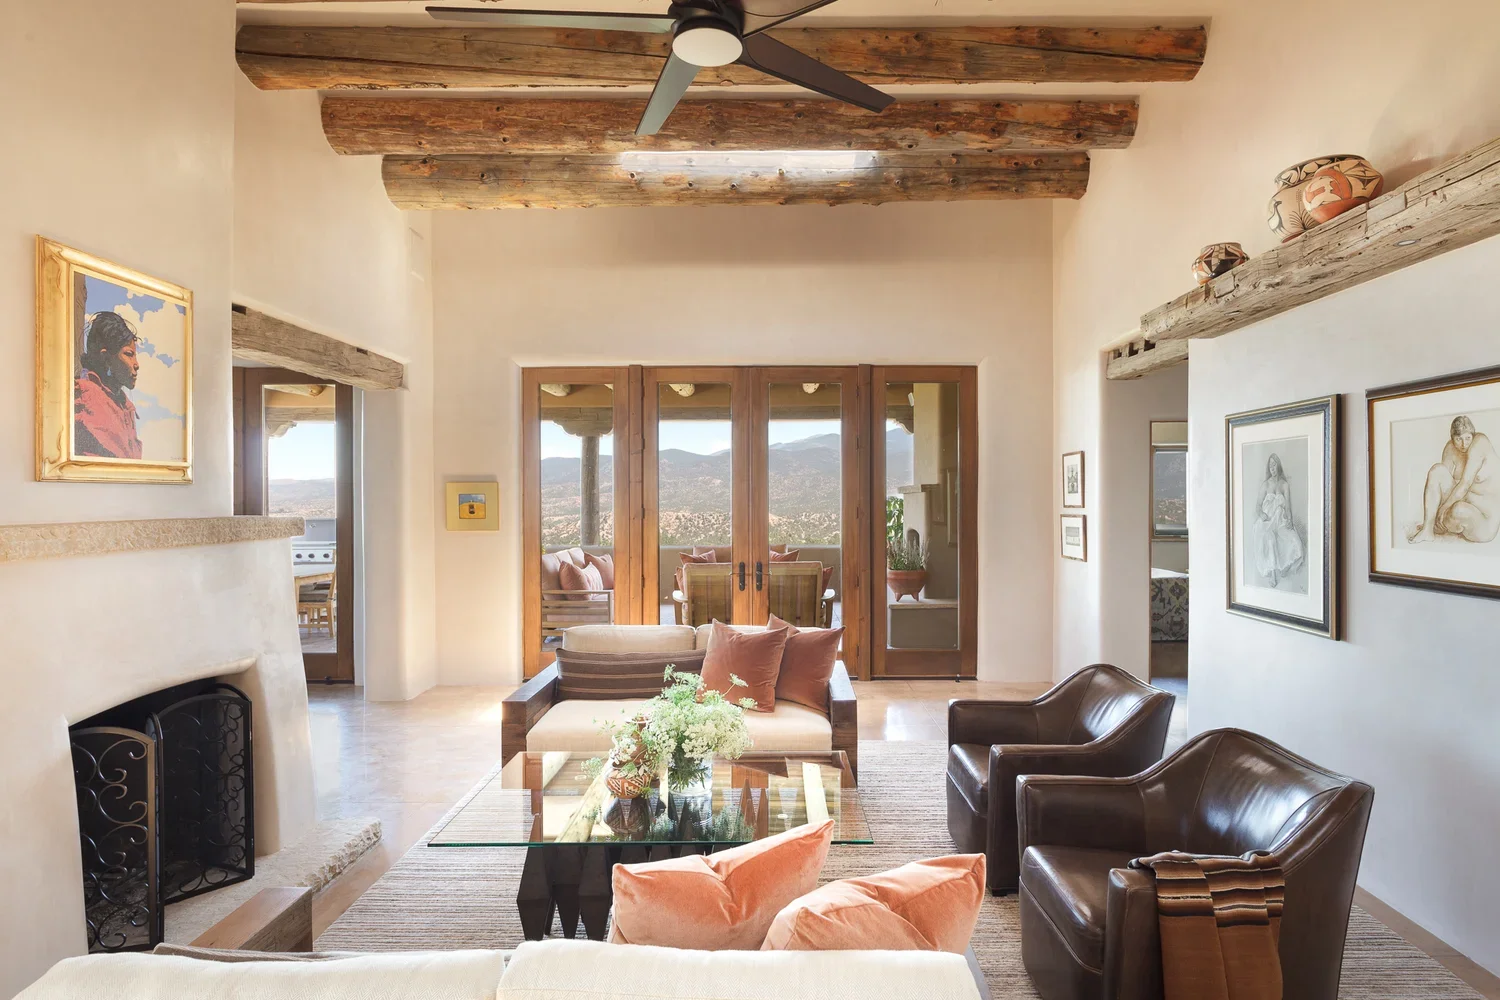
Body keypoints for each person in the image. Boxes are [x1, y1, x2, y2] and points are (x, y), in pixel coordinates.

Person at [1407, 415, 1498, 544]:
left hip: (1485, 521)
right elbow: (1440, 488)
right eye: (1458, 439)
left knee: (1457, 510)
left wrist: (1443, 509)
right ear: (1452, 438)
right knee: (1436, 470)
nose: (1463, 444)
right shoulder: (1450, 448)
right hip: (1462, 506)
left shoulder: (1480, 443)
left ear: (1473, 435)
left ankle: (1439, 525)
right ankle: (1428, 530)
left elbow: (1465, 484)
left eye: (1467, 438)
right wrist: (1435, 515)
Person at [74, 311, 142, 459]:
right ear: (106, 358)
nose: (136, 364)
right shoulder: (86, 395)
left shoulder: (125, 405)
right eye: (129, 354)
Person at [1254, 453, 1304, 588]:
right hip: (1267, 523)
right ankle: (1273, 574)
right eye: (1270, 465)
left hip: (1280, 521)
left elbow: (1288, 506)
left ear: (1278, 465)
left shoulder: (1284, 485)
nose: (1272, 468)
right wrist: (1262, 515)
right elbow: (1258, 507)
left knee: (1296, 543)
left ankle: (1284, 568)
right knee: (1270, 540)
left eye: (1274, 464)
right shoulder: (1265, 485)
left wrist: (1290, 520)